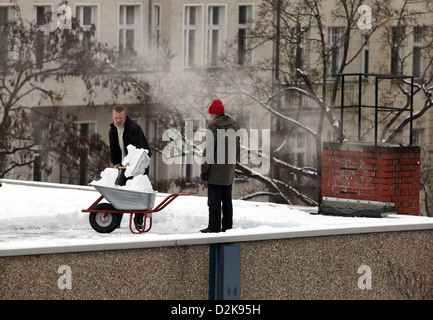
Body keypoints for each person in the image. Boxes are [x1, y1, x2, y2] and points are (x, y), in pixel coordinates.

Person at [200, 99, 240, 233]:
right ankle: (228, 227)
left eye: (211, 114)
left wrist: (204, 170)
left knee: (214, 200)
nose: (210, 117)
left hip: (215, 170)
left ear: (215, 113)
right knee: (227, 200)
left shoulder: (213, 127)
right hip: (228, 170)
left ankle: (214, 227)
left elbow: (209, 151)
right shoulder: (235, 125)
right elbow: (238, 148)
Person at [109, 105, 152, 229]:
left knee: (137, 192)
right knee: (121, 191)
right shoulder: (112, 130)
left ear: (125, 116)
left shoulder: (133, 128)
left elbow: (138, 147)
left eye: (120, 118)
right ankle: (116, 220)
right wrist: (116, 162)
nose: (118, 120)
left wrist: (131, 161)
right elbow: (113, 148)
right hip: (125, 165)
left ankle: (138, 220)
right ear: (113, 117)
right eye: (116, 118)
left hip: (140, 164)